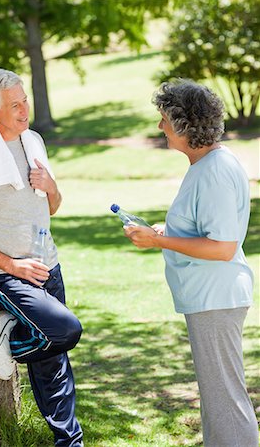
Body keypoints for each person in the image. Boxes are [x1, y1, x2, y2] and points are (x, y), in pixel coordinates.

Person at [124, 79, 259, 447]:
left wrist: (159, 241)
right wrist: (168, 229)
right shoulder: (209, 163)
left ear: (184, 125)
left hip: (216, 297)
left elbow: (223, 247)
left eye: (164, 118)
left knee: (226, 401)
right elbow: (209, 229)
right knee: (218, 400)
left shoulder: (214, 169)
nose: (160, 126)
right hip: (211, 297)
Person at [0, 69, 83, 447]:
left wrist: (52, 187)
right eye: (14, 105)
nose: (24, 109)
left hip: (47, 262)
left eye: (24, 100)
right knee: (64, 332)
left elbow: (54, 207)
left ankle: (69, 441)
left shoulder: (33, 142)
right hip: (5, 272)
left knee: (54, 362)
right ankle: (14, 333)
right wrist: (12, 266)